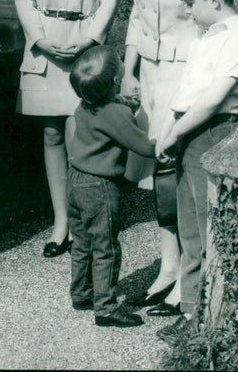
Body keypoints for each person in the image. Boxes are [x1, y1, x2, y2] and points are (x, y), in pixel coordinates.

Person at [120, 0, 225, 317]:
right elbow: (137, 14)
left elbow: (217, 27)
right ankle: (166, 269)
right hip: (152, 77)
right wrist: (129, 71)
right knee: (159, 177)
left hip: (186, 77)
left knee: (181, 176)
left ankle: (188, 276)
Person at [13, 0, 121, 258]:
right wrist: (39, 40)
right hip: (44, 45)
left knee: (82, 133)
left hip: (85, 45)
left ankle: (85, 222)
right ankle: (60, 223)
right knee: (52, 135)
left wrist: (90, 39)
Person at [152, 0, 238, 345]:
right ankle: (192, 312)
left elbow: (212, 100)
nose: (185, 10)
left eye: (190, 2)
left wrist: (174, 134)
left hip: (213, 136)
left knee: (208, 229)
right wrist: (167, 133)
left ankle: (209, 319)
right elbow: (184, 93)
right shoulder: (208, 36)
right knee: (189, 230)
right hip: (189, 136)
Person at [67, 45, 156, 328]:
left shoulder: (84, 105)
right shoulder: (117, 113)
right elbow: (143, 146)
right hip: (100, 186)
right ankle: (105, 307)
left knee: (82, 241)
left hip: (75, 180)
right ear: (116, 82)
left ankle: (82, 293)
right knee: (106, 246)